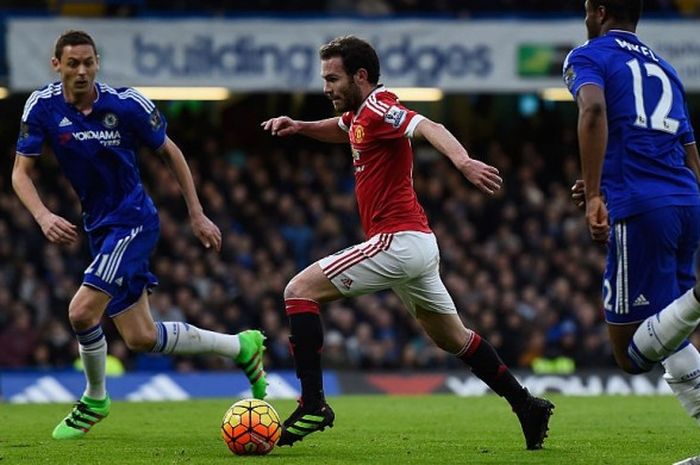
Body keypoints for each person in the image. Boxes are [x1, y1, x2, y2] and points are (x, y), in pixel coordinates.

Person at [262, 35, 554, 449]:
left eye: (333, 78)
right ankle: (527, 405)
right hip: (417, 246)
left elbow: (428, 125)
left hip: (396, 242)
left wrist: (463, 161)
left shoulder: (380, 107)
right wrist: (301, 126)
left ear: (360, 76)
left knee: (298, 291)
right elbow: (343, 129)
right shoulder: (361, 114)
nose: (326, 87)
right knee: (454, 338)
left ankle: (312, 404)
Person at [12, 30, 268, 440]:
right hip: (99, 226)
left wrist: (197, 214)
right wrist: (42, 216)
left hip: (133, 221)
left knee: (80, 312)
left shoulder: (126, 105)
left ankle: (95, 398)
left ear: (98, 63)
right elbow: (20, 173)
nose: (82, 71)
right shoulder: (41, 106)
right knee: (141, 337)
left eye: (88, 62)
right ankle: (241, 347)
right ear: (56, 64)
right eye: (72, 63)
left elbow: (171, 152)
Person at [565, 2, 700, 463]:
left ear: (599, 11)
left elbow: (594, 110)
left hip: (640, 209)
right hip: (686, 202)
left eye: (586, 8)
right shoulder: (663, 66)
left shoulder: (589, 55)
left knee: (630, 354)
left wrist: (599, 193)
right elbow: (689, 149)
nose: (584, 17)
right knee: (672, 337)